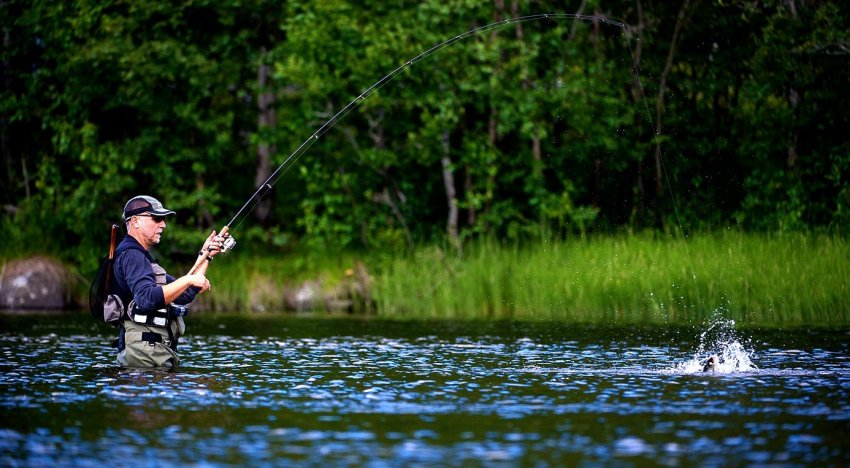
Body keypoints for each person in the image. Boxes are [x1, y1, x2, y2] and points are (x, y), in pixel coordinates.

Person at [110, 195, 225, 369]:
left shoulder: (142, 257)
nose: (163, 224)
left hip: (152, 355)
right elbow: (146, 298)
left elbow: (185, 293)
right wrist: (188, 279)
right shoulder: (132, 255)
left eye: (163, 219)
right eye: (156, 218)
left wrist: (206, 255)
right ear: (135, 221)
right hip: (144, 358)